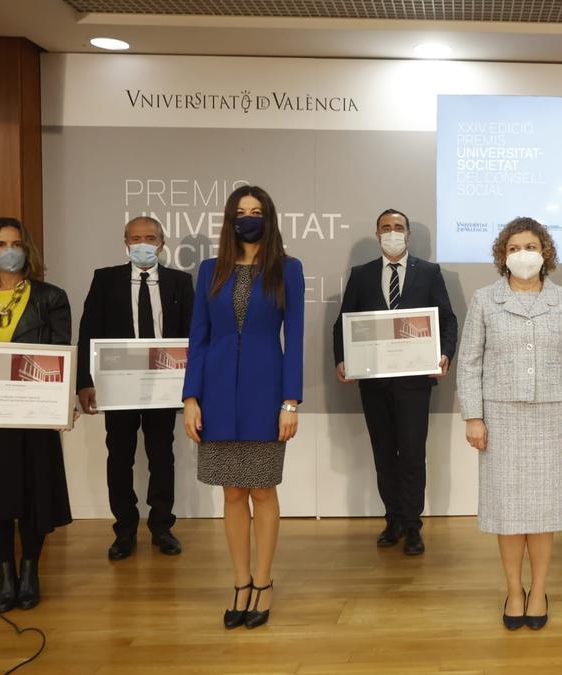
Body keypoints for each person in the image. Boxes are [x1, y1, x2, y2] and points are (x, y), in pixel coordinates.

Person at [456, 217, 562, 631]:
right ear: (502, 255)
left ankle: (539, 590)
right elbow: (470, 362)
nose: (523, 254)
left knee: (544, 510)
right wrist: (474, 416)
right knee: (508, 511)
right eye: (514, 248)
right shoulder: (484, 300)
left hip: (553, 417)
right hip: (501, 417)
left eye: (530, 246)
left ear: (545, 252)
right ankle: (514, 590)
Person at [182, 186, 304, 629]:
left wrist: (290, 401)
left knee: (262, 490)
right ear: (229, 219)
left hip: (265, 393)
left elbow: (296, 339)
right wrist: (190, 397)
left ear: (268, 218)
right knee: (231, 491)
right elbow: (199, 335)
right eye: (240, 212)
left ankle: (264, 582)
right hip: (215, 394)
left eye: (255, 212)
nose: (247, 218)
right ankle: (240, 582)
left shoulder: (287, 269)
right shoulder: (210, 270)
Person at [0, 217, 74, 612]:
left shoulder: (51, 297)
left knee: (33, 495)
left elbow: (60, 356)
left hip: (33, 414)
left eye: (17, 243)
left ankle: (29, 572)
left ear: (28, 250)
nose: (10, 250)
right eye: (1, 243)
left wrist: (60, 403)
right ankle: (4, 577)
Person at [333, 209, 458, 556]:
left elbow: (447, 320)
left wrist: (445, 354)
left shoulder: (429, 273)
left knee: (413, 455)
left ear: (409, 235)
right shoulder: (361, 275)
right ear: (377, 234)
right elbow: (343, 323)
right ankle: (393, 520)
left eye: (398, 228)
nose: (393, 233)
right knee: (384, 453)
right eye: (386, 228)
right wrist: (342, 358)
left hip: (415, 383)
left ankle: (413, 525)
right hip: (374, 384)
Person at [77, 216, 194, 561]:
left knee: (162, 454)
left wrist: (191, 385)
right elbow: (88, 331)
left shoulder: (180, 282)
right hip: (118, 386)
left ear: (162, 243)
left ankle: (162, 527)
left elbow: (193, 336)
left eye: (151, 237)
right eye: (136, 238)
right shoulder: (105, 279)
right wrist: (85, 382)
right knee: (120, 456)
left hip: (164, 384)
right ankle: (124, 530)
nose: (144, 243)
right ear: (126, 243)